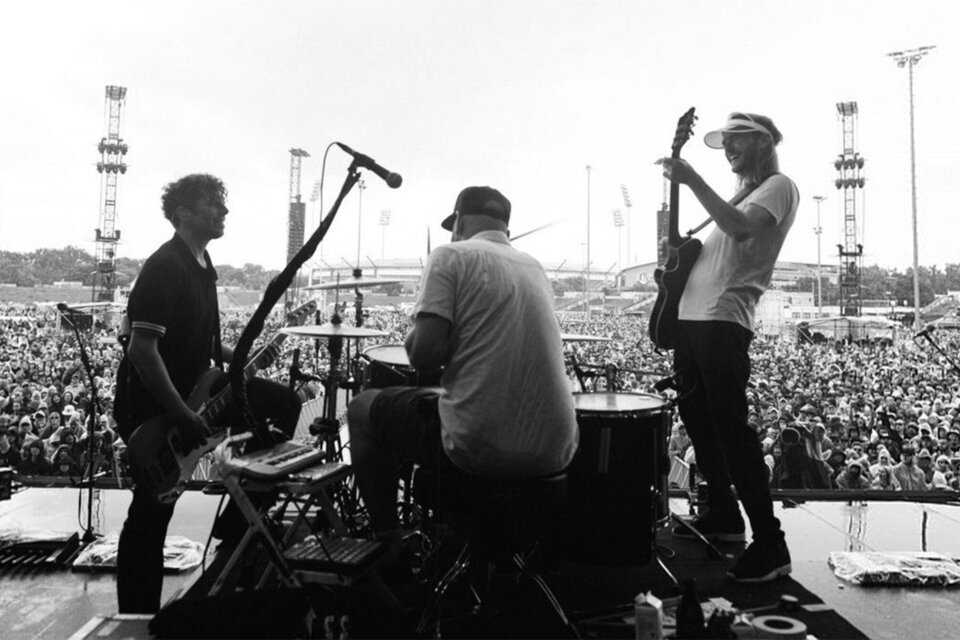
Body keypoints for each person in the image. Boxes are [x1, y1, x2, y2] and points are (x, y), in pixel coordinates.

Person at [347, 185, 578, 560]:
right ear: (504, 225)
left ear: (458, 221)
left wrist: (416, 328)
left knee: (362, 408)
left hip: (480, 452)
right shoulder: (534, 267)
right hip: (557, 452)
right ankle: (468, 535)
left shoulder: (449, 255)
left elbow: (423, 355)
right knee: (439, 403)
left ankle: (388, 542)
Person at [114, 173, 301, 614]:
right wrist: (179, 413)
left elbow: (203, 341)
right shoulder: (166, 266)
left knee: (281, 402)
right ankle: (136, 616)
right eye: (213, 203)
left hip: (197, 390)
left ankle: (241, 519)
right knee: (152, 510)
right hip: (155, 406)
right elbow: (142, 349)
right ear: (183, 214)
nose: (224, 211)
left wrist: (242, 361)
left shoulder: (204, 265)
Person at [657, 112, 798, 583]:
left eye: (737, 141)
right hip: (696, 321)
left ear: (762, 142)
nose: (729, 150)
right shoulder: (740, 193)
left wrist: (692, 179)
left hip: (723, 321)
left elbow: (741, 229)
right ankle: (723, 513)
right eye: (725, 143)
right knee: (699, 420)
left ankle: (771, 543)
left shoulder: (778, 186)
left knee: (732, 428)